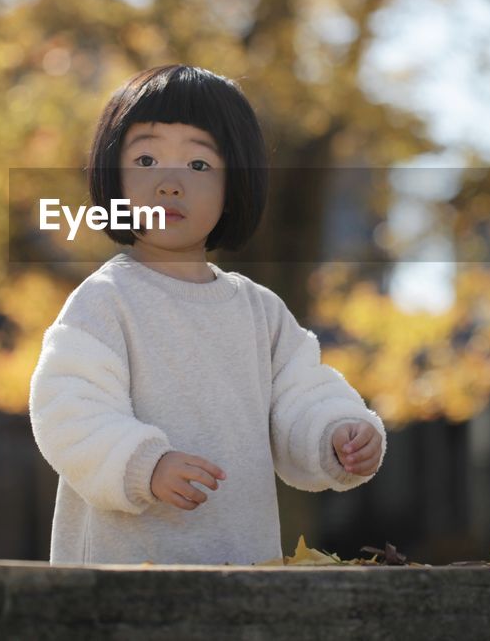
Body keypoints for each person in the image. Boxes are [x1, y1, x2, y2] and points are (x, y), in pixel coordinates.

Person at [28, 64, 386, 565]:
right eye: (147, 159)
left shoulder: (261, 313)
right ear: (114, 177)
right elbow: (67, 410)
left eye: (199, 166)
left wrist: (337, 432)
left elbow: (305, 396)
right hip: (123, 575)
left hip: (244, 567)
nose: (170, 183)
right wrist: (143, 464)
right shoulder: (105, 301)